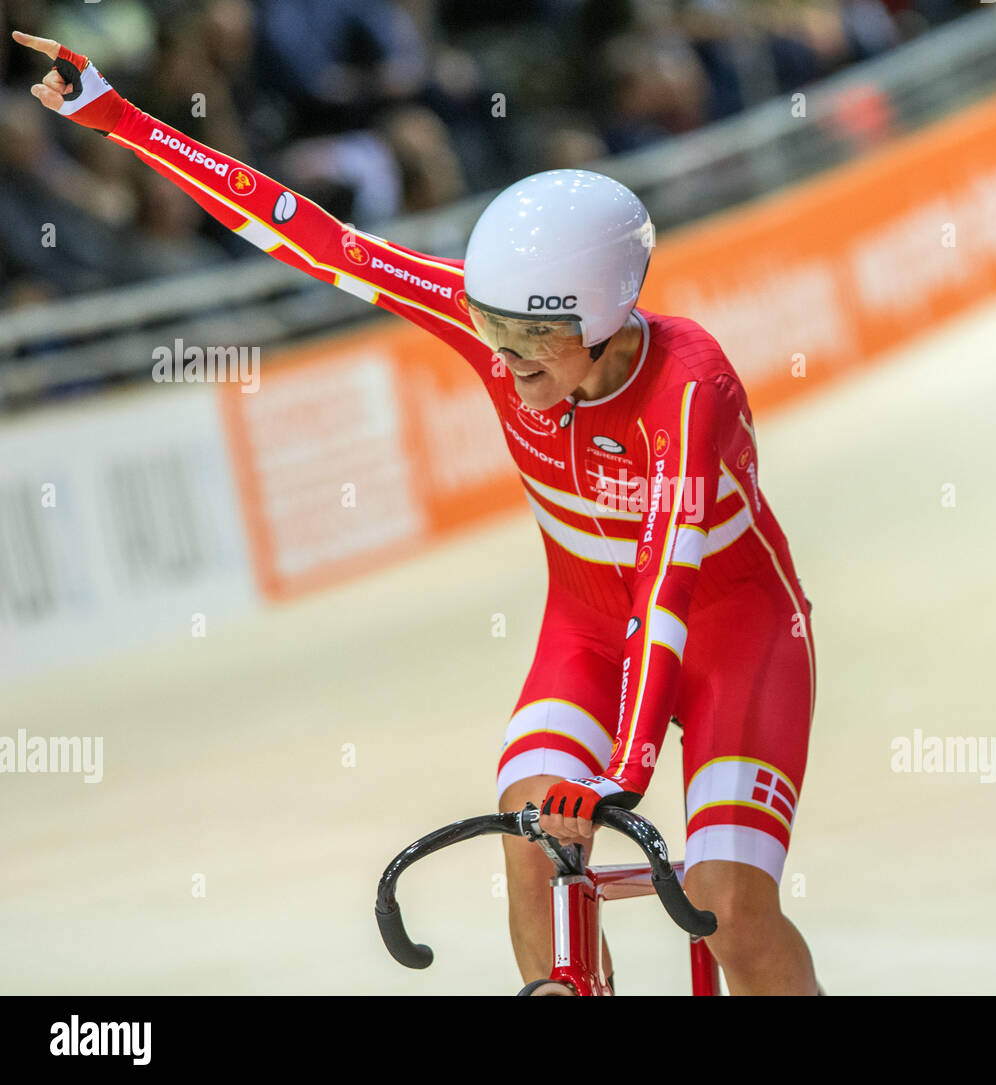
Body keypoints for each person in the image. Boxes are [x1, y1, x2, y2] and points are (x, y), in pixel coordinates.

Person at [14, 31, 821, 995]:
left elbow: (666, 582)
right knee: (530, 836)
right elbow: (314, 237)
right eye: (490, 327)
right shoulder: (501, 329)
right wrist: (119, 117)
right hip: (594, 635)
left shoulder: (690, 387)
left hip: (734, 632)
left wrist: (626, 774)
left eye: (533, 339)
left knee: (731, 914)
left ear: (605, 324)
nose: (505, 356)